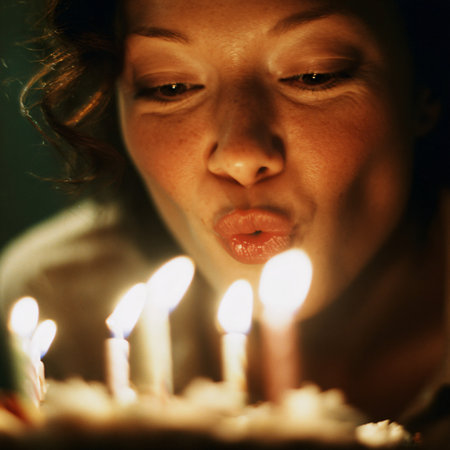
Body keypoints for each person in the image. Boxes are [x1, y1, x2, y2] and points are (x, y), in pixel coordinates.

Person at [0, 0, 448, 433]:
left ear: (424, 89)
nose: (239, 156)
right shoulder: (62, 302)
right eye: (169, 87)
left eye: (314, 74)